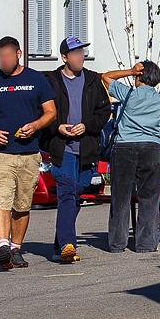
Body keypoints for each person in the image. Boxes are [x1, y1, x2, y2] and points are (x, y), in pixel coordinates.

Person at [0, 37, 57, 271]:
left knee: (22, 204)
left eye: (8, 56)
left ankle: (16, 248)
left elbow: (51, 111)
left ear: (18, 54)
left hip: (28, 153)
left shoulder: (36, 79)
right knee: (2, 199)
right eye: (0, 57)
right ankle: (2, 247)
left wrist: (36, 125)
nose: (4, 61)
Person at [42, 36, 114, 263]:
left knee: (75, 193)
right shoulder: (51, 80)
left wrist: (88, 125)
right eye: (75, 53)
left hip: (86, 149)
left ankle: (58, 244)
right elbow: (42, 113)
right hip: (62, 149)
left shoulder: (93, 79)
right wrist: (58, 127)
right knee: (66, 194)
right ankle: (67, 245)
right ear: (64, 57)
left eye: (82, 53)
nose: (80, 57)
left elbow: (104, 111)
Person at [104, 61, 160, 253]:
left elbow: (105, 77)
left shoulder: (127, 94)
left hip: (124, 147)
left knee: (120, 196)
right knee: (149, 197)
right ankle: (146, 243)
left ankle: (117, 243)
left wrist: (129, 70)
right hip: (152, 148)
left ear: (138, 77)